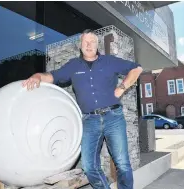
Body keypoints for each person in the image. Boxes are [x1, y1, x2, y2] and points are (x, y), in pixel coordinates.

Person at [22, 29, 143, 189]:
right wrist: (37, 76)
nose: (89, 45)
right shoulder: (73, 65)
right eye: (85, 42)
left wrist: (121, 87)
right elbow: (52, 76)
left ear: (97, 44)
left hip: (113, 117)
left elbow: (137, 69)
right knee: (89, 166)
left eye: (92, 41)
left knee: (122, 163)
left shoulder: (109, 61)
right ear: (80, 45)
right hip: (89, 121)